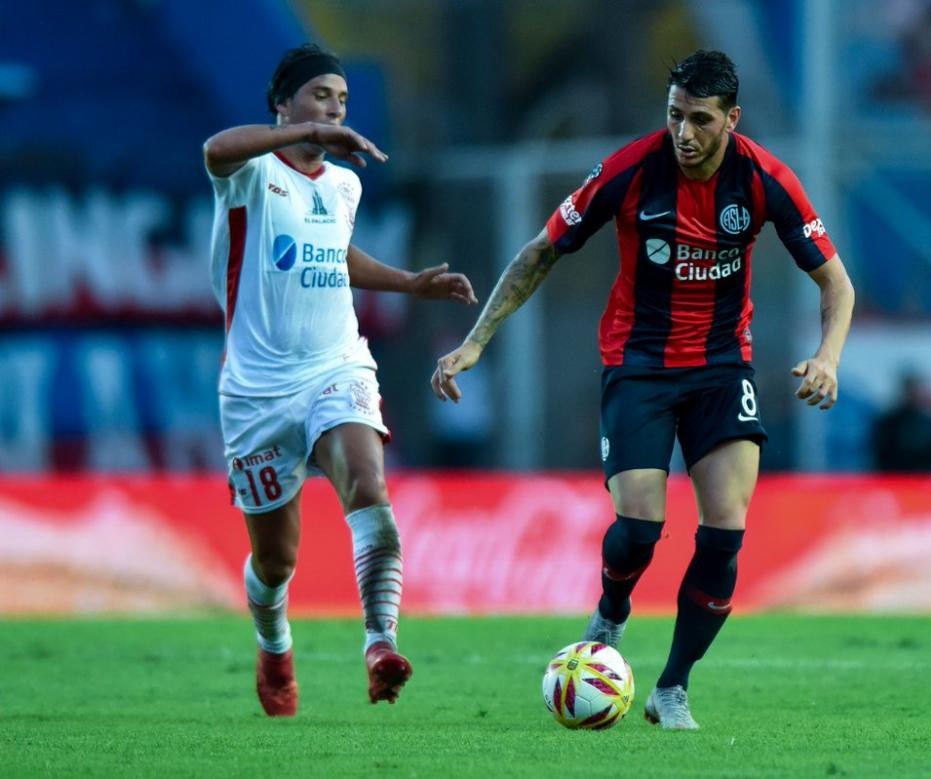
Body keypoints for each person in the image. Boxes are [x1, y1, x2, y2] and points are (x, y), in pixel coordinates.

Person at [431, 50, 854, 730]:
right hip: (639, 366)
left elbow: (836, 280)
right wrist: (477, 340)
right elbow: (540, 250)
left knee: (725, 529)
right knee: (639, 527)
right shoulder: (630, 171)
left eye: (701, 120)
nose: (684, 133)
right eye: (675, 115)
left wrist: (827, 357)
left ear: (731, 119)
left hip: (722, 367)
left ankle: (672, 687)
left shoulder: (767, 180)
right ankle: (611, 611)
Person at [204, 43, 476, 716]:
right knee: (276, 560)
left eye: (343, 100)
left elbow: (336, 252)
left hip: (335, 365)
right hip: (257, 393)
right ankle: (275, 644)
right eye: (321, 95)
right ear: (284, 106)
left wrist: (410, 282)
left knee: (368, 482)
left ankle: (380, 643)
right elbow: (214, 147)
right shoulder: (251, 171)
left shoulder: (345, 185)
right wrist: (308, 134)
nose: (334, 108)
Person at [871, 370, 931, 473]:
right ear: (902, 391)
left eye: (915, 390)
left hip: (922, 480)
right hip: (894, 480)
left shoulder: (928, 422)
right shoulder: (888, 422)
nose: (912, 394)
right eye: (909, 389)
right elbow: (881, 455)